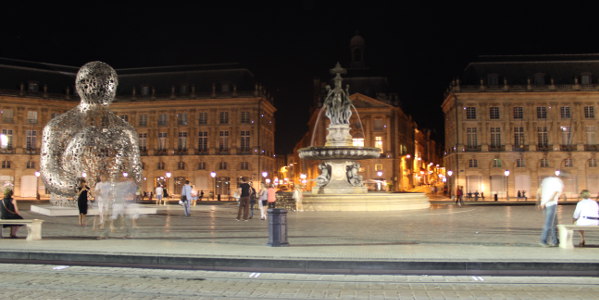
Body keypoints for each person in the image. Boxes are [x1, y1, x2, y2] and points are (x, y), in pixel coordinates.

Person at [538, 175, 564, 247]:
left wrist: (540, 202)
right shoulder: (558, 182)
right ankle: (543, 240)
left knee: (553, 223)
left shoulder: (545, 180)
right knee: (549, 223)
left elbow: (539, 191)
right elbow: (555, 194)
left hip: (544, 204)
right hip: (551, 204)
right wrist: (546, 202)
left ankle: (555, 240)